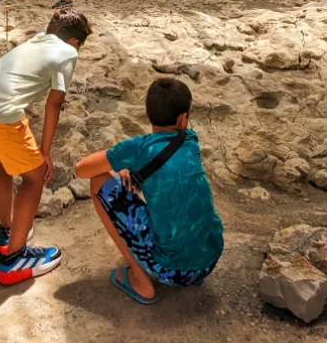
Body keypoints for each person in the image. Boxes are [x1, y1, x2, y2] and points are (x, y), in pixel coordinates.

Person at [0, 6, 92, 285]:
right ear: (75, 42)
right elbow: (54, 103)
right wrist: (45, 153)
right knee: (34, 177)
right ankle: (15, 259)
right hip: (0, 116)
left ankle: (7, 234)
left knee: (0, 164)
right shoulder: (69, 52)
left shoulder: (35, 41)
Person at [74, 78, 223, 305]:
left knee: (98, 182)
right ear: (183, 118)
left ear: (148, 113)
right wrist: (133, 171)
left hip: (170, 271)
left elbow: (82, 169)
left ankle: (140, 279)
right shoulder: (190, 140)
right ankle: (190, 262)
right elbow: (166, 169)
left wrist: (123, 163)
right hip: (209, 261)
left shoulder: (139, 147)